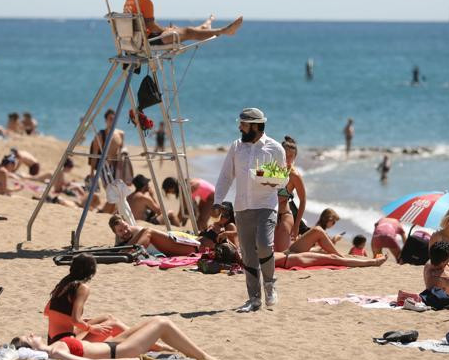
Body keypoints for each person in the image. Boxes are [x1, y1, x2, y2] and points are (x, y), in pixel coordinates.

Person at [214, 107, 285, 312]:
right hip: (242, 207)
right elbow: (226, 175)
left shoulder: (275, 148)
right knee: (247, 255)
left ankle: (270, 284)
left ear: (255, 126)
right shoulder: (236, 147)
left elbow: (282, 180)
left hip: (265, 205)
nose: (240, 127)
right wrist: (218, 199)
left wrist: (272, 180)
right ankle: (254, 299)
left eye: (243, 124)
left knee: (264, 245)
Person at [17, 315, 216, 360]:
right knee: (162, 323)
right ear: (30, 347)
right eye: (28, 337)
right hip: (119, 351)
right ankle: (205, 357)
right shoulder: (54, 351)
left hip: (112, 344)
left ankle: (175, 349)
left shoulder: (54, 345)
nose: (32, 334)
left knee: (153, 320)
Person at [273, 136, 307, 253]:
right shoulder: (270, 171)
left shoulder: (294, 176)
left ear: (295, 157)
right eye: (285, 155)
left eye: (291, 156)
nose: (287, 159)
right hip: (267, 215)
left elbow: (303, 200)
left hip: (284, 216)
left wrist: (297, 225)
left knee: (281, 254)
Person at [108, 214, 197, 257]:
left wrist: (123, 252)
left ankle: (130, 253)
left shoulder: (138, 232)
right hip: (171, 247)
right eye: (120, 231)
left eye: (126, 226)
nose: (125, 231)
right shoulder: (120, 238)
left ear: (127, 223)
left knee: (148, 231)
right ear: (115, 233)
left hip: (184, 246)